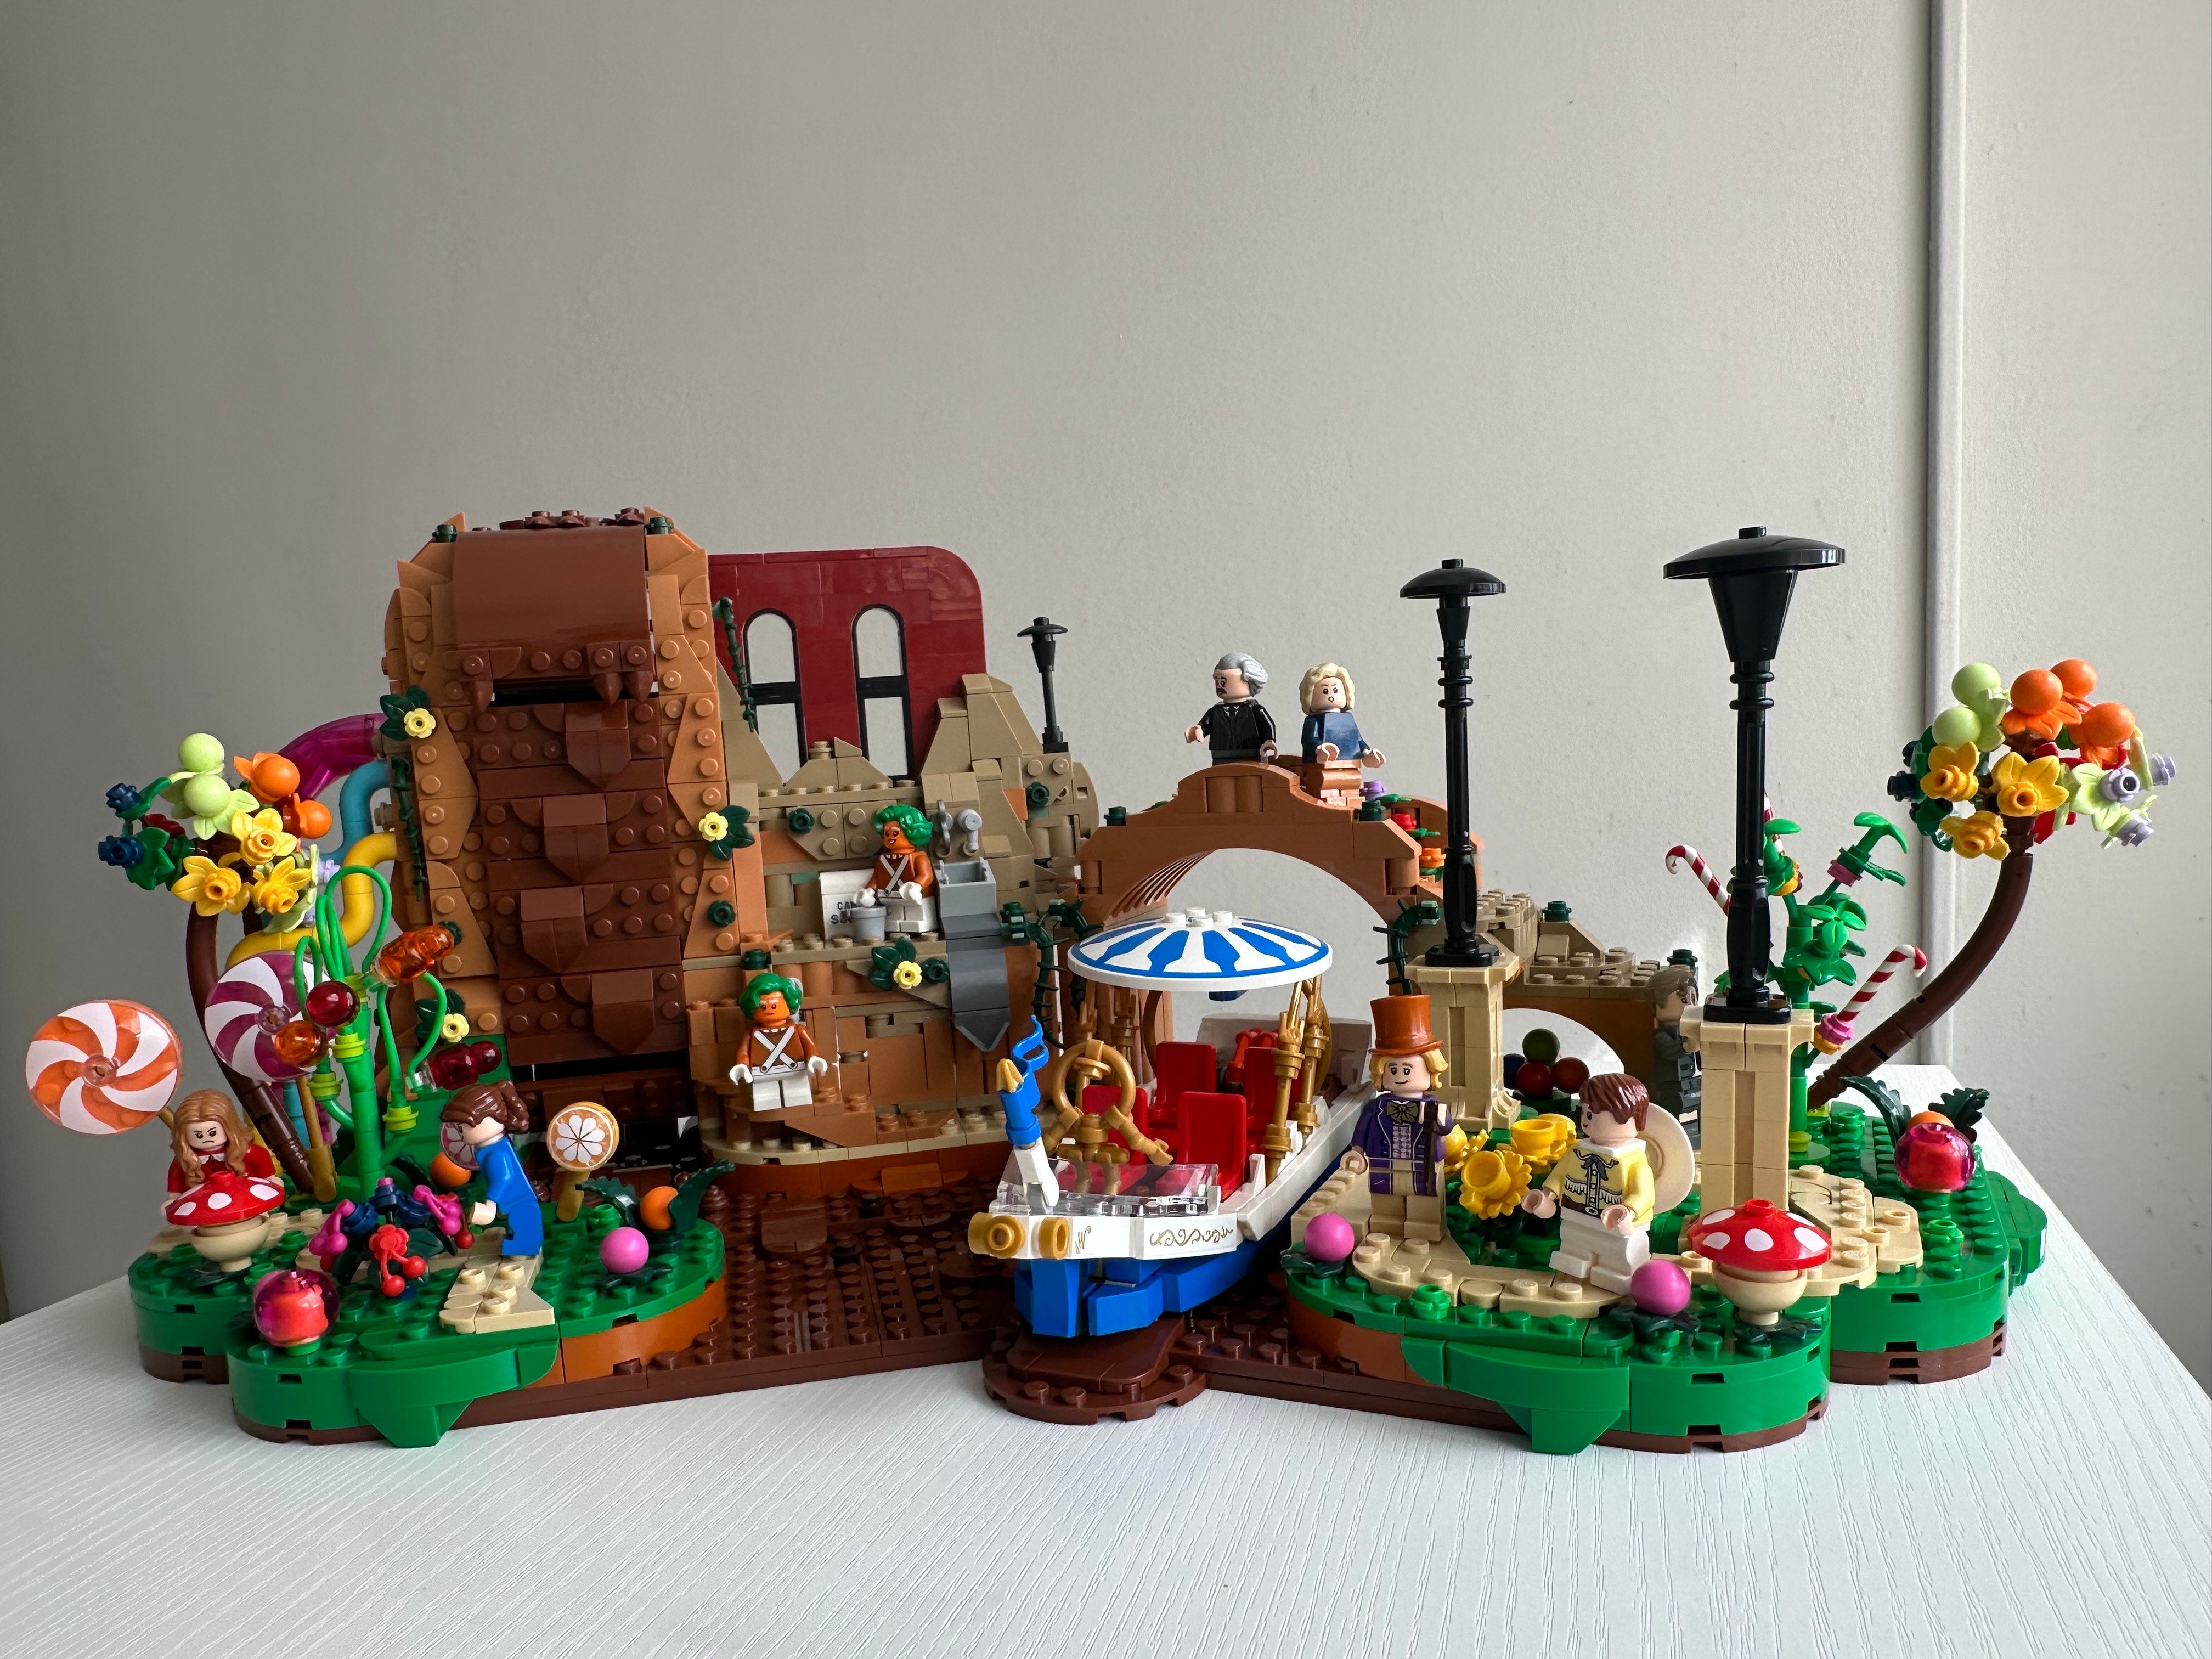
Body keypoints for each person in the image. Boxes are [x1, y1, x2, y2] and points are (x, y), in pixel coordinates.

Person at [1520, 1072, 1655, 1293]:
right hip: (1576, 1218)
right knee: (1574, 1250)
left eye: (1592, 1114)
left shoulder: (1634, 1161)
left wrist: (1628, 1212)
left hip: (1615, 1228)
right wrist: (1547, 1196)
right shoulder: (1578, 1151)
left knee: (1617, 1258)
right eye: (1585, 1112)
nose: (1585, 1119)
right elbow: (1559, 1176)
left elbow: (1644, 1195)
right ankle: (1573, 1272)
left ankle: (1614, 1274)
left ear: (1628, 1116)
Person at [1346, 995, 1452, 1241]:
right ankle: (1387, 1226)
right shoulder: (1376, 1108)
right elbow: (1361, 1133)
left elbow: (1447, 1127)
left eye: (1407, 1069)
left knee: (1424, 1203)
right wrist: (1357, 1152)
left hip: (1423, 1167)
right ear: (1381, 1071)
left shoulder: (1433, 1107)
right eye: (1393, 1069)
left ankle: (1424, 1226)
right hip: (1383, 1165)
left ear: (1431, 1069)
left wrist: (1440, 1119)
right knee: (1386, 1202)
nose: (1401, 1075)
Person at [441, 1079, 541, 1257]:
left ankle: (523, 1248)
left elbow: (504, 1178)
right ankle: (520, 1245)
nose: (461, 1133)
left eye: (463, 1127)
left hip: (520, 1202)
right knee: (521, 1226)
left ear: (489, 1119)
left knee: (524, 1230)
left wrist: (491, 1203)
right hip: (517, 1201)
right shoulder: (493, 1148)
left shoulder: (497, 1153)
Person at [729, 972, 829, 1114]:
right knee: (765, 1101)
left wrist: (813, 1058)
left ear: (789, 1003)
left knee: (798, 1099)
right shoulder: (751, 1034)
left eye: (775, 1006)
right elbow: (744, 1052)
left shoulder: (798, 1029)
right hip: (763, 1075)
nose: (769, 1010)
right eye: (763, 1006)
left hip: (796, 1072)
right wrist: (742, 1066)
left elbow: (809, 1045)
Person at [166, 1089, 275, 1195]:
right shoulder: (187, 1158)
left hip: (247, 1194)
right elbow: (176, 1176)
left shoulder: (244, 1151)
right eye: (199, 1135)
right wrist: (175, 1195)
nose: (206, 1139)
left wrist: (270, 1179)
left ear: (229, 1127)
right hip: (203, 1199)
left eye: (212, 1133)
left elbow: (262, 1161)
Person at [859, 803, 937, 935]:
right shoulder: (884, 861)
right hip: (891, 899)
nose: (890, 837)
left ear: (912, 833)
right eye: (887, 833)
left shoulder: (919, 858)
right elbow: (876, 879)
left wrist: (917, 886)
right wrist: (868, 892)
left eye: (895, 833)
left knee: (917, 920)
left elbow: (926, 876)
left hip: (916, 900)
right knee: (893, 921)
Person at [1183, 653, 1277, 764]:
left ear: (1248, 680)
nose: (1220, 685)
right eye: (1217, 681)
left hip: (1250, 755)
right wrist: (1198, 731)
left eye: (1224, 681)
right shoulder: (1216, 711)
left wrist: (1269, 741)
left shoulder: (1254, 709)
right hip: (1220, 756)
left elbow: (1267, 725)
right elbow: (1205, 726)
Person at [1647, 961, 1702, 1148]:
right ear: (1658, 1005)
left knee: (1698, 1114)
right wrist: (1687, 1047)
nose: (1692, 1005)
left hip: (1694, 1084)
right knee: (1674, 1114)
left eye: (1694, 999)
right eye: (1684, 1000)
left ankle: (1697, 1139)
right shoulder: (1662, 1036)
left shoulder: (1690, 1030)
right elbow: (1668, 1051)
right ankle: (1675, 1144)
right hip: (1672, 1087)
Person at [1297, 662, 1385, 768]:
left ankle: (1368, 757)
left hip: (1350, 764)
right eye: (1325, 691)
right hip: (1319, 765)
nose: (1331, 696)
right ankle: (1325, 754)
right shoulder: (1314, 720)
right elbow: (1309, 739)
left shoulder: (1347, 719)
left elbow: (1358, 740)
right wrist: (1319, 748)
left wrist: (1366, 751)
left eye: (1335, 691)